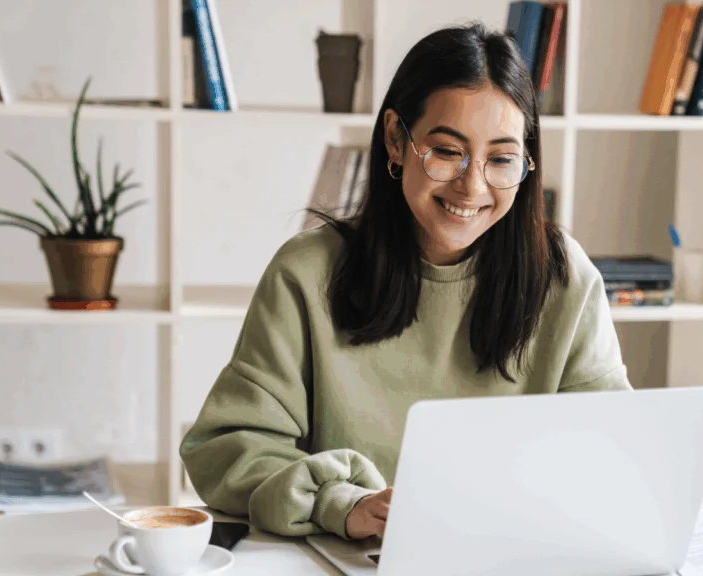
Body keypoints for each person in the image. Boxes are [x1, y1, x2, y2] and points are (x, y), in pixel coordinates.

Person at [180, 22, 633, 543]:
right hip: (354, 556)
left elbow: (610, 452)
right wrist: (338, 502)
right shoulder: (306, 274)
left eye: (501, 159)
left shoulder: (564, 278)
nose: (473, 185)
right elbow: (226, 446)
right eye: (447, 151)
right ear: (397, 139)